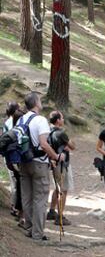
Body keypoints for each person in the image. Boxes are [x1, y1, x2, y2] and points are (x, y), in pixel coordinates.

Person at [20, 93, 66, 241]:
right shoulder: (40, 120)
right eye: (39, 100)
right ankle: (38, 233)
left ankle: (29, 228)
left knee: (27, 196)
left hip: (23, 162)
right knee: (40, 198)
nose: (41, 102)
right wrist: (56, 156)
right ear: (36, 103)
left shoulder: (21, 119)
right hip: (39, 163)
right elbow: (44, 143)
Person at [46, 111, 76, 226]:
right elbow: (73, 146)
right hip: (62, 165)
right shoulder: (61, 133)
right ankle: (60, 217)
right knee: (63, 190)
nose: (63, 120)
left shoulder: (48, 131)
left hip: (53, 163)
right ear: (58, 120)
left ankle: (51, 211)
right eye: (62, 118)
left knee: (58, 188)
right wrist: (69, 143)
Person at [2, 102, 23, 221]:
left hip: (8, 156)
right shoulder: (15, 121)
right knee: (16, 183)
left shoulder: (6, 122)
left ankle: (15, 205)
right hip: (14, 155)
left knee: (14, 182)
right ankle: (15, 207)